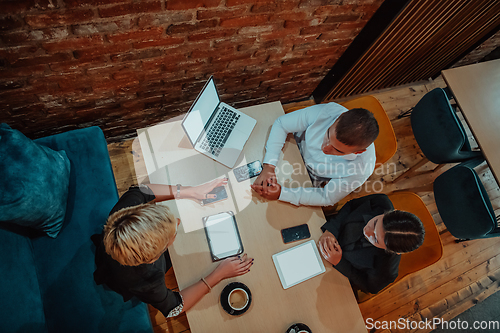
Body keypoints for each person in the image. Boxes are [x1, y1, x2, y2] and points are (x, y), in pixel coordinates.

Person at [92, 178, 254, 318]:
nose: (178, 221)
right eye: (173, 233)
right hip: (117, 276)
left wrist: (190, 191)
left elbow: (141, 191)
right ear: (155, 257)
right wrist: (218, 275)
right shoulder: (148, 279)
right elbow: (174, 308)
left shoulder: (123, 215)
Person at [251, 103, 379, 206]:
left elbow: (327, 197)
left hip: (308, 179)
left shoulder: (361, 169)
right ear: (339, 117)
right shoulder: (328, 112)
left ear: (358, 152)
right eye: (328, 135)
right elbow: (281, 124)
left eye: (338, 150)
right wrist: (269, 165)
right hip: (292, 146)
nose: (325, 148)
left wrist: (282, 194)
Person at [317, 194, 425, 294]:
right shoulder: (380, 202)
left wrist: (339, 262)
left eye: (375, 239)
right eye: (374, 223)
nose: (367, 231)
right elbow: (351, 205)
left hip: (331, 274)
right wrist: (331, 231)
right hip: (320, 230)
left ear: (394, 251)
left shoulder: (386, 270)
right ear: (392, 211)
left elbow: (369, 287)